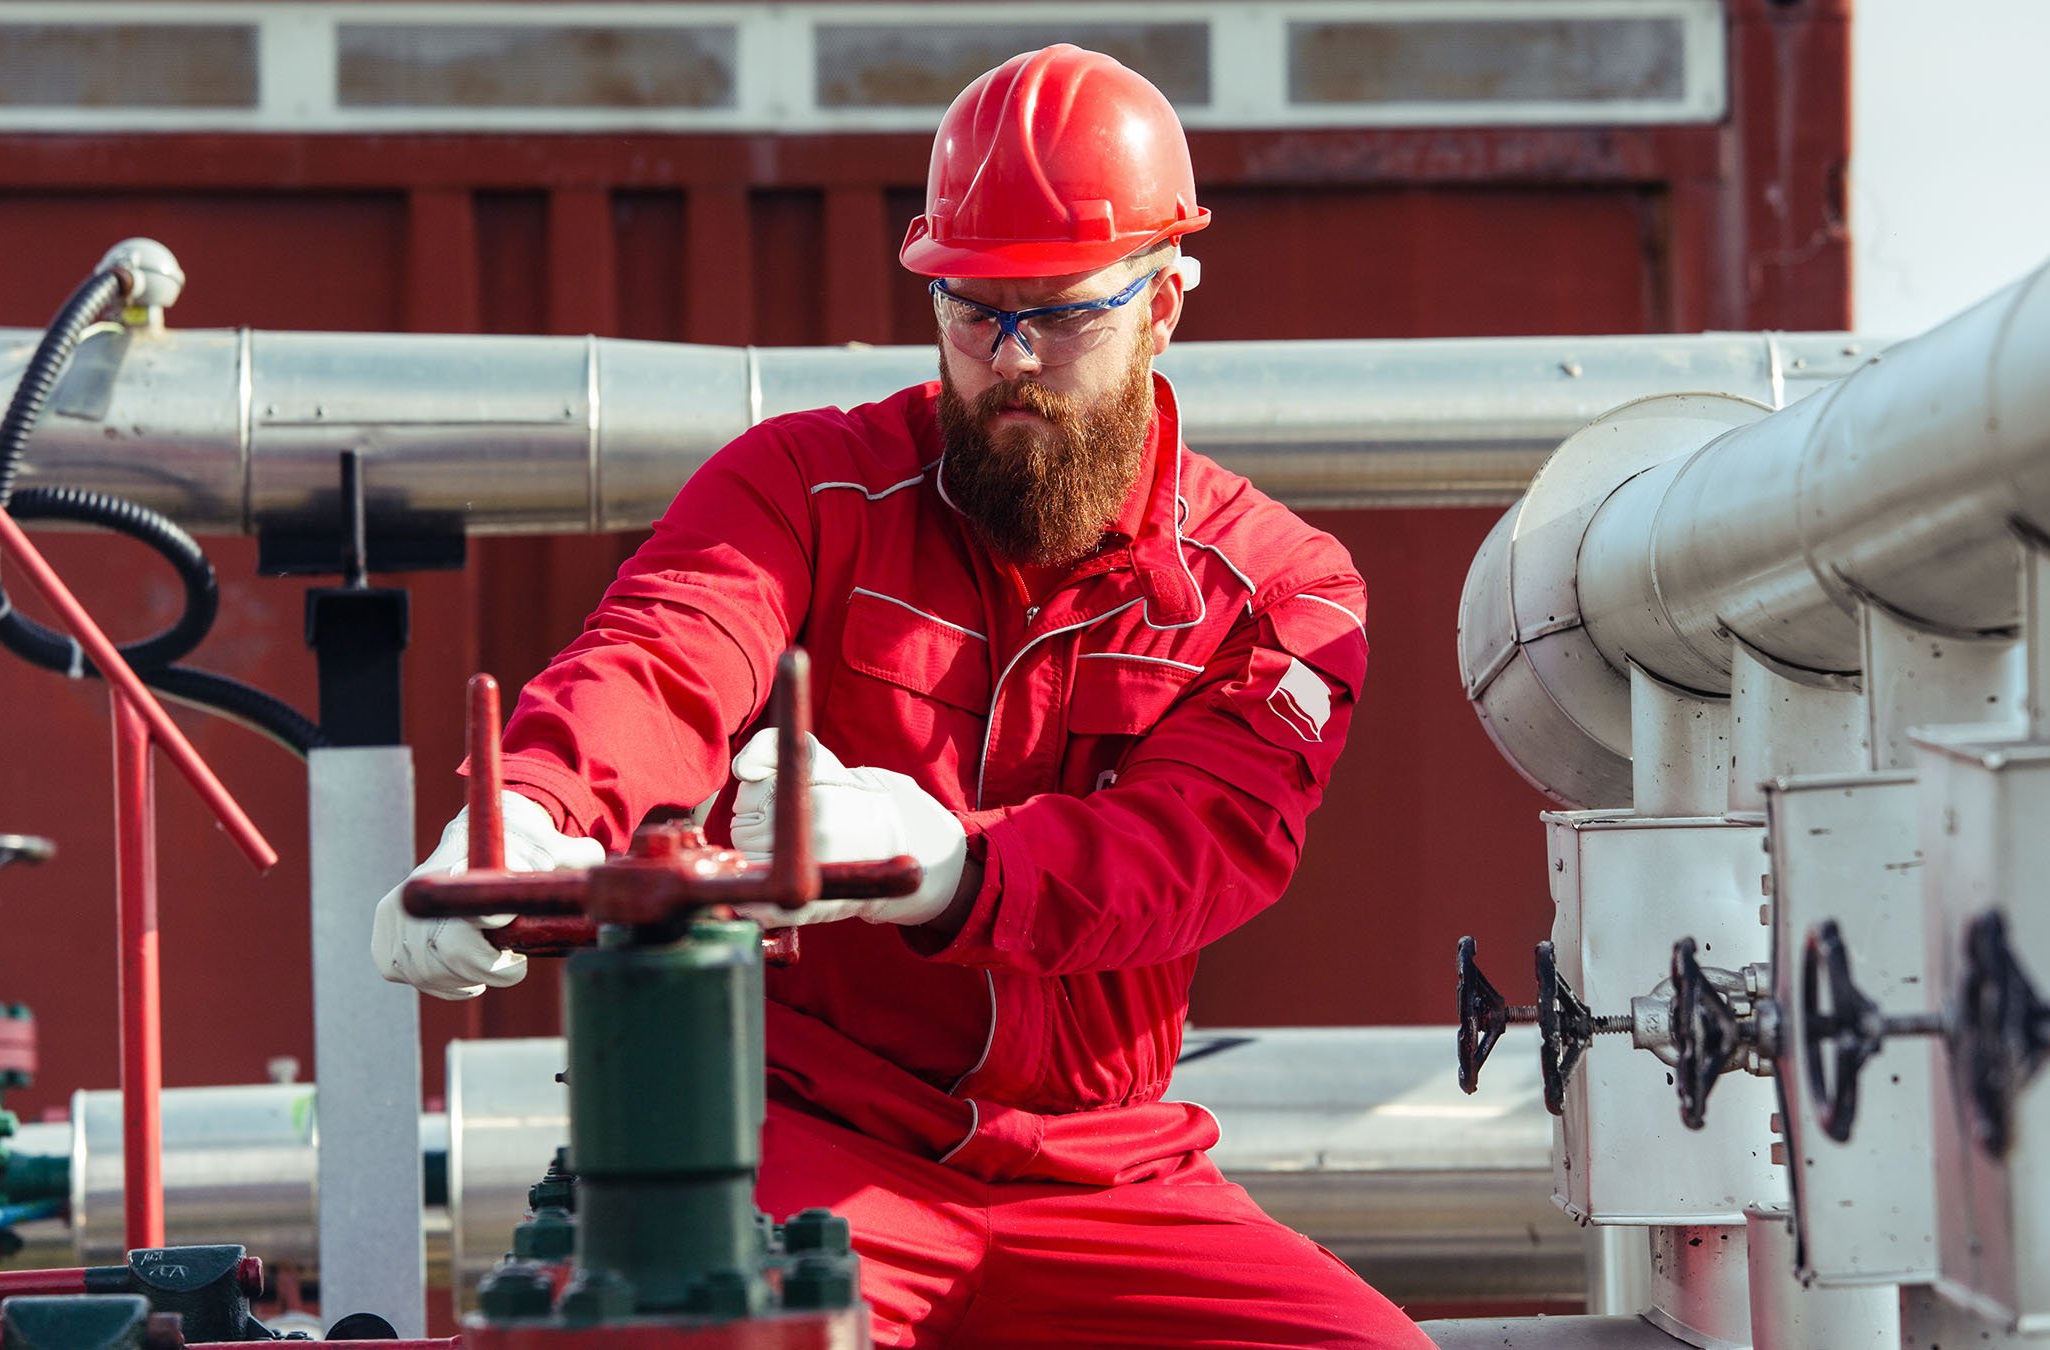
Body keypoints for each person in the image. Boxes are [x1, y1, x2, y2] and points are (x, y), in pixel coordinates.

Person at [372, 44, 1431, 1350]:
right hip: (816, 1140)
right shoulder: (808, 490)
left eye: (1060, 311)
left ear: (1165, 300)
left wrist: (953, 864)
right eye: (972, 310)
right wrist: (528, 819)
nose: (1010, 358)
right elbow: (661, 654)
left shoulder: (1277, 588)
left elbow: (1201, 848)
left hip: (1107, 1172)